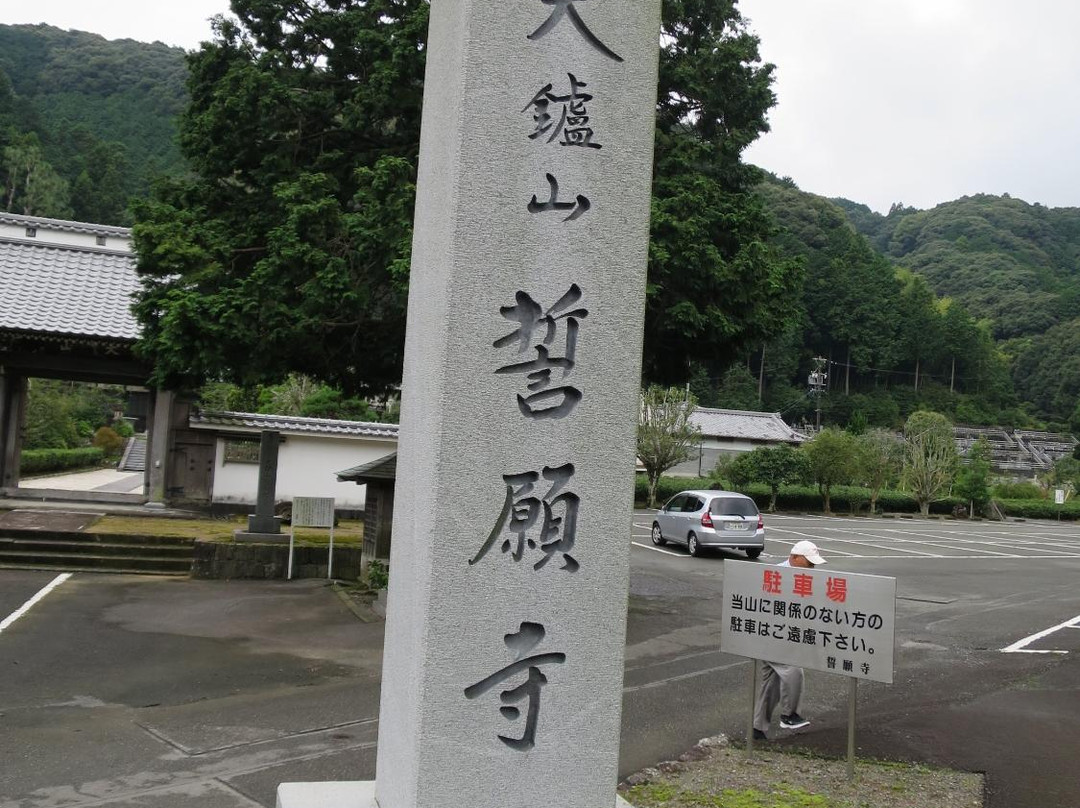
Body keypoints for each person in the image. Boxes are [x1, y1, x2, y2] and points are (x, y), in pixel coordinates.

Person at [752, 539, 828, 741]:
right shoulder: (776, 577)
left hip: (785, 637)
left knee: (772, 683)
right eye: (809, 562)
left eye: (814, 564)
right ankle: (789, 715)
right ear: (793, 557)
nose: (812, 567)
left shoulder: (804, 577)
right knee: (794, 670)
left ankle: (757, 729)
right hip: (770, 637)